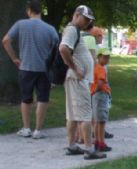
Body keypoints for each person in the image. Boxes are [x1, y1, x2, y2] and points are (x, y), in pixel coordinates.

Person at [2, 0, 59, 139]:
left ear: (29, 10)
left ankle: (26, 128)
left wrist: (14, 58)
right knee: (43, 99)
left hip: (26, 67)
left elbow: (5, 41)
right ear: (40, 11)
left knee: (26, 99)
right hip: (44, 69)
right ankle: (38, 130)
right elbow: (57, 45)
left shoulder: (20, 24)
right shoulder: (50, 29)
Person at [59, 5, 106, 160]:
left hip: (74, 79)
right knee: (85, 114)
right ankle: (89, 149)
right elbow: (63, 49)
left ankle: (72, 146)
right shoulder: (72, 29)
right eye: (85, 18)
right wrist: (75, 68)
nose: (87, 22)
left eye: (89, 20)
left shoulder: (74, 30)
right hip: (77, 79)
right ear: (77, 14)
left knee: (72, 115)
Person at [91, 48, 112, 152]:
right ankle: (101, 143)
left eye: (108, 58)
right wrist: (97, 90)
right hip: (101, 95)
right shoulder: (100, 68)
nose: (107, 59)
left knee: (97, 121)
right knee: (101, 121)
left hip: (97, 96)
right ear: (98, 57)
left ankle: (97, 142)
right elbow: (100, 83)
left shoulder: (97, 67)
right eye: (105, 57)